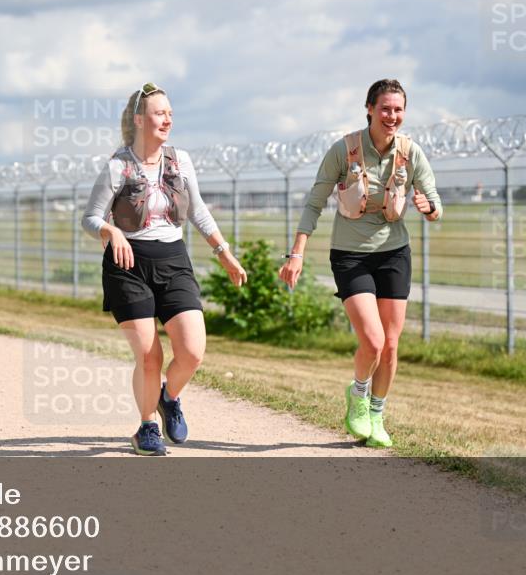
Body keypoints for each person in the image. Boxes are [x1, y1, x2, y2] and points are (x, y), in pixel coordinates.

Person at [82, 83, 247, 456]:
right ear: (140, 120)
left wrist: (224, 253)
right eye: (160, 113)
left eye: (170, 113)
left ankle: (168, 398)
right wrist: (111, 232)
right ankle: (146, 427)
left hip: (173, 259)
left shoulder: (180, 160)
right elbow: (90, 218)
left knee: (192, 351)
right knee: (149, 356)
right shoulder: (119, 165)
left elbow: (199, 210)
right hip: (128, 264)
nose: (168, 119)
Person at [279, 79, 442, 448]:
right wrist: (297, 252)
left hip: (394, 252)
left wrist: (428, 208)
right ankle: (358, 394)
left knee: (391, 344)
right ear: (369, 108)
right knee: (373, 339)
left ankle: (378, 413)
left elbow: (435, 202)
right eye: (385, 108)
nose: (392, 116)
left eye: (398, 109)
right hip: (351, 255)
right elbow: (314, 202)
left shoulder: (410, 153)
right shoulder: (344, 150)